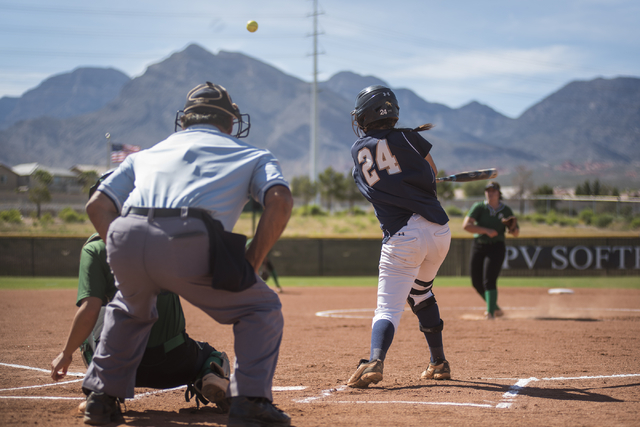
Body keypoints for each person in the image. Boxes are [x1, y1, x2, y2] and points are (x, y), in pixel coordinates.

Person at [81, 82, 293, 427]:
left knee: (129, 310)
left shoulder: (145, 154)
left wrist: (122, 246)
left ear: (185, 121)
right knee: (261, 307)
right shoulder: (253, 155)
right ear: (230, 123)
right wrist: (252, 262)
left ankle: (101, 400)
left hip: (127, 230)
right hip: (191, 236)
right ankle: (251, 401)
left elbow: (97, 205)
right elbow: (280, 201)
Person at [50, 174, 231, 414]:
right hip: (174, 361)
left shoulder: (95, 249)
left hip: (121, 364)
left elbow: (89, 309)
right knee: (214, 356)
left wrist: (65, 354)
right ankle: (211, 377)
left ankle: (102, 391)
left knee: (94, 323)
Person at [346, 85, 452, 389]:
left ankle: (375, 360)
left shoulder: (357, 152)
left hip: (403, 236)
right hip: (438, 231)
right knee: (421, 292)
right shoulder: (409, 136)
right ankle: (439, 363)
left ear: (365, 116)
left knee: (387, 308)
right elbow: (431, 176)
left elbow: (378, 177)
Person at [462, 181, 519, 319]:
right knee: (476, 282)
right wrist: (485, 230)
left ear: (499, 193)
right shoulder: (479, 207)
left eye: (493, 190)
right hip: (479, 245)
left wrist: (512, 228)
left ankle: (490, 313)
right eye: (488, 190)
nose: (490, 193)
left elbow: (515, 233)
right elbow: (466, 226)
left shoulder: (505, 210)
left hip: (496, 247)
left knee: (489, 279)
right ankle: (496, 308)